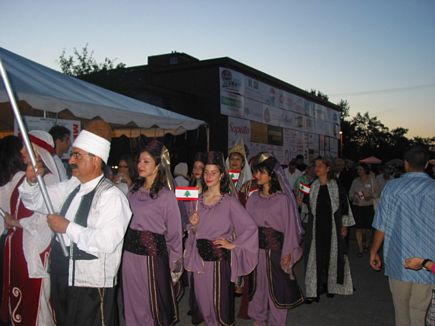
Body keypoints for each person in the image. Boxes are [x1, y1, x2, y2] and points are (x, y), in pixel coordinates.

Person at [19, 124, 132, 326]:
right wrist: (32, 182)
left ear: (96, 160)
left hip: (91, 286)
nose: (70, 160)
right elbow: (36, 202)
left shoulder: (112, 197)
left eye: (77, 155)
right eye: (72, 155)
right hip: (63, 278)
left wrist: (68, 227)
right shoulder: (71, 187)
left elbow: (107, 241)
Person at [184, 151, 258, 326]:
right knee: (204, 305)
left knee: (219, 308)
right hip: (199, 263)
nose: (208, 176)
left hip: (219, 263)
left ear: (221, 175)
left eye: (213, 172)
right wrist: (193, 226)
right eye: (206, 172)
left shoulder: (229, 202)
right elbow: (194, 232)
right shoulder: (197, 200)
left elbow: (250, 227)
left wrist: (234, 244)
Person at [370, 145, 435, 326]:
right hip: (427, 263)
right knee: (420, 314)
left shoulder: (392, 188)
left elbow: (381, 225)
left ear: (406, 164)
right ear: (426, 165)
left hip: (399, 259)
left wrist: (374, 251)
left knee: (401, 312)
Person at [0, 131, 60, 326]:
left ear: (38, 151)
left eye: (27, 148)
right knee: (17, 298)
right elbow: (4, 196)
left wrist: (15, 222)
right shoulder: (21, 177)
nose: (22, 151)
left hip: (35, 251)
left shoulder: (49, 181)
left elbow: (43, 222)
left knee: (37, 301)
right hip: (16, 249)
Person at [122, 139, 182, 326]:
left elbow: (175, 235)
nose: (140, 165)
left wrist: (175, 264)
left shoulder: (166, 196)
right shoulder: (132, 190)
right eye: (139, 161)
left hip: (152, 259)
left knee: (152, 306)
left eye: (146, 161)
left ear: (158, 165)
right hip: (129, 256)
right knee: (131, 302)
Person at [246, 153, 304, 325]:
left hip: (277, 252)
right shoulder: (253, 198)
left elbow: (290, 228)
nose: (257, 176)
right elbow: (246, 226)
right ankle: (258, 320)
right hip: (256, 251)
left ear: (271, 174)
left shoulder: (282, 199)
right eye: (256, 172)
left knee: (277, 289)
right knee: (258, 289)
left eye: (261, 172)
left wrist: (289, 252)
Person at [304, 157, 355, 303]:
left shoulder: (336, 186)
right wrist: (302, 203)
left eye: (321, 165)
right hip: (316, 227)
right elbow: (309, 207)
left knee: (332, 256)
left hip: (333, 226)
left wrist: (344, 225)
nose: (317, 168)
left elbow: (344, 206)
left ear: (328, 169)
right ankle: (315, 288)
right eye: (316, 165)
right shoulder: (312, 186)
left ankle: (330, 286)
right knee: (316, 257)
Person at [349, 163, 379, 257]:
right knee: (358, 228)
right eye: (358, 169)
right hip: (357, 206)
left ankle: (367, 243)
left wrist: (369, 197)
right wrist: (354, 197)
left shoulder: (372, 180)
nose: (359, 171)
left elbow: (377, 193)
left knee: (368, 228)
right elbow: (350, 193)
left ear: (365, 170)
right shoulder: (355, 181)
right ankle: (360, 248)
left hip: (368, 206)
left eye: (361, 169)